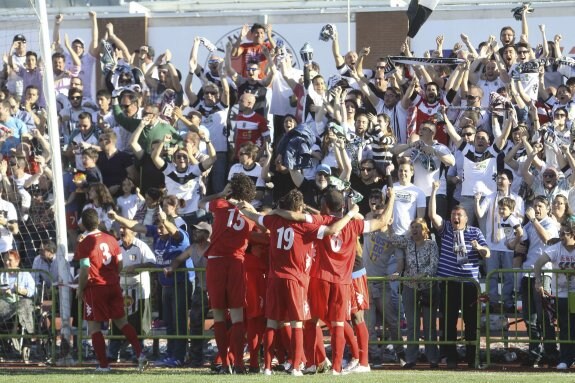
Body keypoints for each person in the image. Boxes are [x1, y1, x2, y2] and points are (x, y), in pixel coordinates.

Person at [198, 174, 258, 374]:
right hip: (237, 262)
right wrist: (253, 211)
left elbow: (200, 202)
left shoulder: (220, 204)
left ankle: (225, 363)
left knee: (219, 316)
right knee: (238, 316)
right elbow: (267, 228)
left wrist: (221, 193)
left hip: (216, 263)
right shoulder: (250, 214)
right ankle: (239, 363)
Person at [74, 208, 147, 372]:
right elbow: (119, 264)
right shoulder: (112, 239)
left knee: (94, 327)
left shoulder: (85, 243)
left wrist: (80, 289)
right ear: (98, 222)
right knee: (122, 322)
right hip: (113, 285)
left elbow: (85, 270)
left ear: (82, 225)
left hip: (95, 288)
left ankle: (104, 365)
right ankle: (140, 353)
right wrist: (112, 275)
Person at [429, 181, 490, 369]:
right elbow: (432, 215)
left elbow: (487, 253)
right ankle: (450, 356)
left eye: (459, 215)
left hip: (469, 283)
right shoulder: (446, 228)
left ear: (466, 218)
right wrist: (433, 191)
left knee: (471, 322)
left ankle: (473, 358)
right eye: (454, 214)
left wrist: (479, 247)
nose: (456, 217)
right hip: (448, 282)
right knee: (448, 321)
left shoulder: (474, 231)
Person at [385, 218, 439, 369]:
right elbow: (393, 239)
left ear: (425, 230)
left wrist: (421, 275)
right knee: (412, 325)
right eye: (413, 227)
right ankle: (411, 359)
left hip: (428, 287)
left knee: (429, 326)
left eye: (418, 227)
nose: (415, 230)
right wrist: (389, 225)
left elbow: (433, 265)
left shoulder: (431, 244)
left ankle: (433, 359)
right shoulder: (408, 242)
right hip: (410, 287)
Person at [533, 215, 575, 370]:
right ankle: (565, 359)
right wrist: (538, 280)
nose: (561, 236)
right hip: (562, 294)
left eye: (565, 233)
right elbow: (538, 263)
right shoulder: (556, 248)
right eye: (561, 233)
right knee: (565, 326)